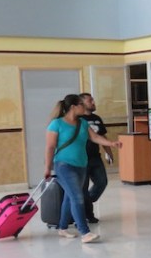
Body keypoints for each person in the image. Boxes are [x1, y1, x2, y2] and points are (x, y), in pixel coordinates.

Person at [44, 93, 122, 243]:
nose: (84, 106)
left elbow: (95, 137)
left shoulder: (83, 123)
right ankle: (85, 232)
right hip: (63, 165)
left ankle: (62, 228)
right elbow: (50, 147)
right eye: (81, 104)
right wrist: (47, 167)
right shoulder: (56, 124)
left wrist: (111, 144)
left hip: (81, 165)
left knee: (69, 197)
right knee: (77, 196)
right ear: (73, 107)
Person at [79, 92, 111, 224]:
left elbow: (102, 136)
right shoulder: (78, 119)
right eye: (90, 101)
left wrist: (108, 152)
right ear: (82, 103)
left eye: (93, 100)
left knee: (102, 182)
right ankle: (88, 213)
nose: (93, 102)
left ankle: (86, 202)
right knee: (83, 187)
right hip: (82, 159)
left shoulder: (97, 118)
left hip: (95, 157)